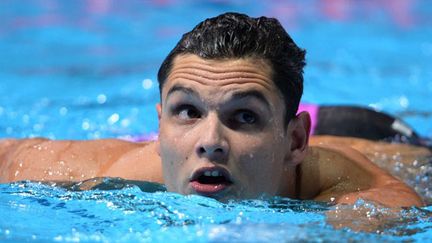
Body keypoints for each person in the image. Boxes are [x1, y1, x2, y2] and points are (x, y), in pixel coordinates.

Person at [0, 12, 430, 207]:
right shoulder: (117, 168)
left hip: (372, 136)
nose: (209, 143)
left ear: (296, 140)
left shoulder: (364, 197)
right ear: (158, 128)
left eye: (243, 117)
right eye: (186, 111)